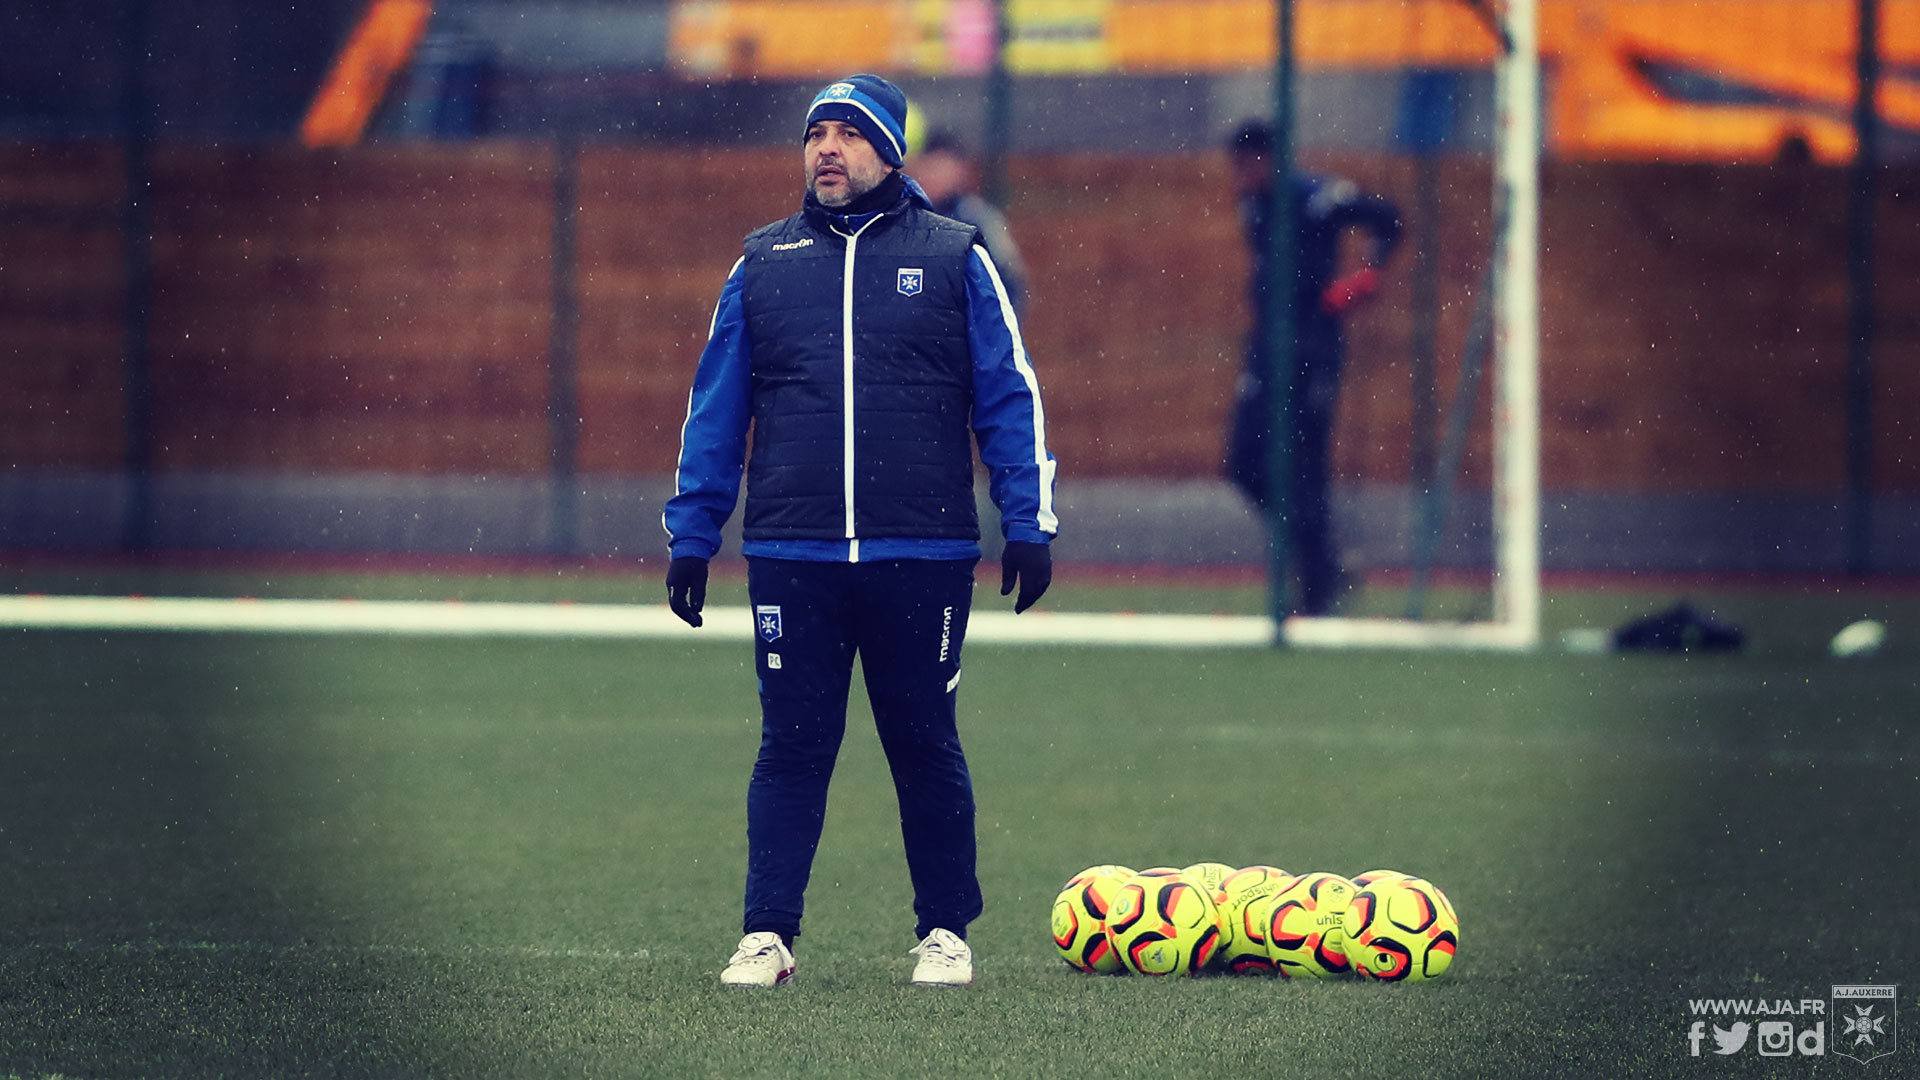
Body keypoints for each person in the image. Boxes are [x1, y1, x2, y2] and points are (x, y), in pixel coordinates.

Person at [662, 74, 1058, 989]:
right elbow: (714, 409)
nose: (826, 149)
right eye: (816, 134)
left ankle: (945, 934)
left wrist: (1028, 521)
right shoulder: (762, 263)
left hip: (920, 552)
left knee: (923, 740)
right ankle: (767, 935)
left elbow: (1009, 397)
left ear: (889, 151)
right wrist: (693, 531)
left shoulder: (958, 257)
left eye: (847, 133)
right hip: (791, 554)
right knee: (791, 746)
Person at [1224, 119, 1401, 615]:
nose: (1241, 172)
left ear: (1271, 158)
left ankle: (1320, 582)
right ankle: (1320, 558)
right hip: (1266, 351)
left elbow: (1387, 218)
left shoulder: (1316, 196)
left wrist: (1365, 276)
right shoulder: (1251, 205)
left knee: (1306, 467)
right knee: (1245, 465)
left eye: (1249, 160)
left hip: (1312, 350)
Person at [909, 128, 1031, 317]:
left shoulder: (978, 219)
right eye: (929, 167)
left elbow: (1009, 280)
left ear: (960, 171)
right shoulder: (907, 218)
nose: (934, 176)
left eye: (941, 168)